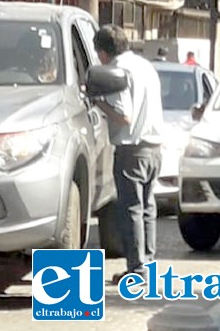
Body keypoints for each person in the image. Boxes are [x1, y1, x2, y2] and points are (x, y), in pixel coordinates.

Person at [91, 25, 164, 284]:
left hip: (131, 149)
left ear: (102, 52)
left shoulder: (116, 73)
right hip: (154, 148)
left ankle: (137, 269)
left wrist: (97, 101)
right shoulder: (145, 66)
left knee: (131, 208)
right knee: (147, 208)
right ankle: (148, 265)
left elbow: (123, 116)